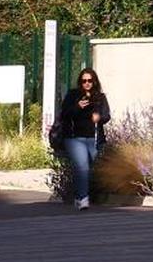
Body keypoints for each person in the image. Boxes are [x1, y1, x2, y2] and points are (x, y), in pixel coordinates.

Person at [47, 69, 110, 210]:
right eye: (84, 81)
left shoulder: (100, 97)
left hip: (94, 138)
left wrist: (99, 118)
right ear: (80, 82)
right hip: (75, 138)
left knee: (91, 167)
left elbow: (106, 115)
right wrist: (77, 107)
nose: (87, 83)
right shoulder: (73, 95)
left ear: (94, 81)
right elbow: (64, 114)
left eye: (89, 80)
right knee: (83, 166)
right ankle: (83, 199)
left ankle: (77, 195)